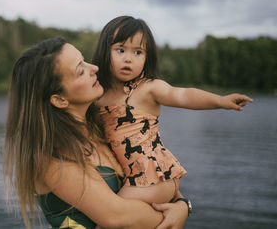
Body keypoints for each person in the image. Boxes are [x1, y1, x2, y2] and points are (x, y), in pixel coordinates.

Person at [3, 37, 189, 229]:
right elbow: (117, 217)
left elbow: (155, 169)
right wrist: (168, 217)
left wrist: (182, 205)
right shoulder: (52, 158)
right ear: (59, 100)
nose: (94, 68)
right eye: (81, 70)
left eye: (84, 60)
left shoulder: (103, 126)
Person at [92, 16, 253, 205]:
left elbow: (183, 95)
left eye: (138, 52)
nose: (128, 58)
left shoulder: (148, 88)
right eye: (120, 50)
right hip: (130, 178)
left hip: (155, 178)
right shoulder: (97, 94)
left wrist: (220, 100)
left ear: (147, 57)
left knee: (110, 215)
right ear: (105, 51)